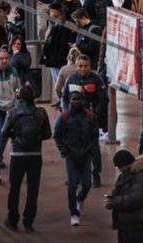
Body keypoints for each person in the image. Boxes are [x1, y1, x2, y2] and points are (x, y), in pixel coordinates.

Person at [0, 85, 52, 232]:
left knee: (14, 189)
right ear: (33, 98)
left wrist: (15, 136)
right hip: (35, 156)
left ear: (18, 97)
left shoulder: (12, 113)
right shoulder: (41, 113)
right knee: (33, 191)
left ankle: (12, 220)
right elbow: (48, 134)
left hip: (17, 156)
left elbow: (3, 133)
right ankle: (28, 222)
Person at [61, 54, 108, 188]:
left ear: (90, 66)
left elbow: (103, 99)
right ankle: (73, 176)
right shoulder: (71, 80)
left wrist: (95, 114)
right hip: (73, 120)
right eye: (80, 66)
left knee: (93, 148)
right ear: (76, 66)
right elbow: (64, 98)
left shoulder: (96, 80)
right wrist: (66, 112)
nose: (82, 68)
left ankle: (95, 174)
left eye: (85, 66)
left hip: (90, 120)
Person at [54, 90, 99, 226]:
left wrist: (92, 150)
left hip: (86, 155)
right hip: (71, 156)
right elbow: (57, 135)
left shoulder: (90, 117)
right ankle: (73, 213)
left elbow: (95, 136)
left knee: (87, 184)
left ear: (83, 101)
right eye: (73, 99)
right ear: (70, 101)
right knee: (72, 185)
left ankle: (80, 199)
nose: (76, 102)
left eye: (78, 100)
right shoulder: (64, 117)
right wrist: (64, 150)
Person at [105, 150, 143, 243]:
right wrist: (112, 200)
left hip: (137, 222)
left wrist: (115, 201)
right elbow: (119, 191)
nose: (119, 170)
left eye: (119, 167)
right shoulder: (126, 174)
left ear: (125, 165)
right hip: (125, 221)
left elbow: (136, 199)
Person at [41, 1, 74, 88]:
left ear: (58, 12)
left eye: (52, 11)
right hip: (53, 59)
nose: (50, 13)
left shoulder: (65, 26)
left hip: (59, 60)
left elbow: (63, 44)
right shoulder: (54, 24)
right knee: (56, 81)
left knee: (61, 83)